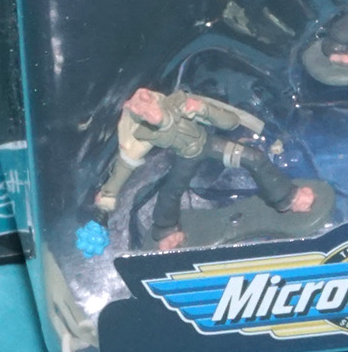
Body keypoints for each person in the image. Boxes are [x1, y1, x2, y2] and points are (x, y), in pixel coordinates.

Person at [93, 86, 313, 250]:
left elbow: (229, 122)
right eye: (143, 110)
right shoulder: (143, 134)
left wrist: (204, 110)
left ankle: (287, 197)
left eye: (149, 103)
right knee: (170, 192)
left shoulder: (180, 104)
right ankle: (165, 230)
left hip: (208, 144)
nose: (148, 109)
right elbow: (126, 164)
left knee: (254, 158)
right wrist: (107, 198)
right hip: (186, 158)